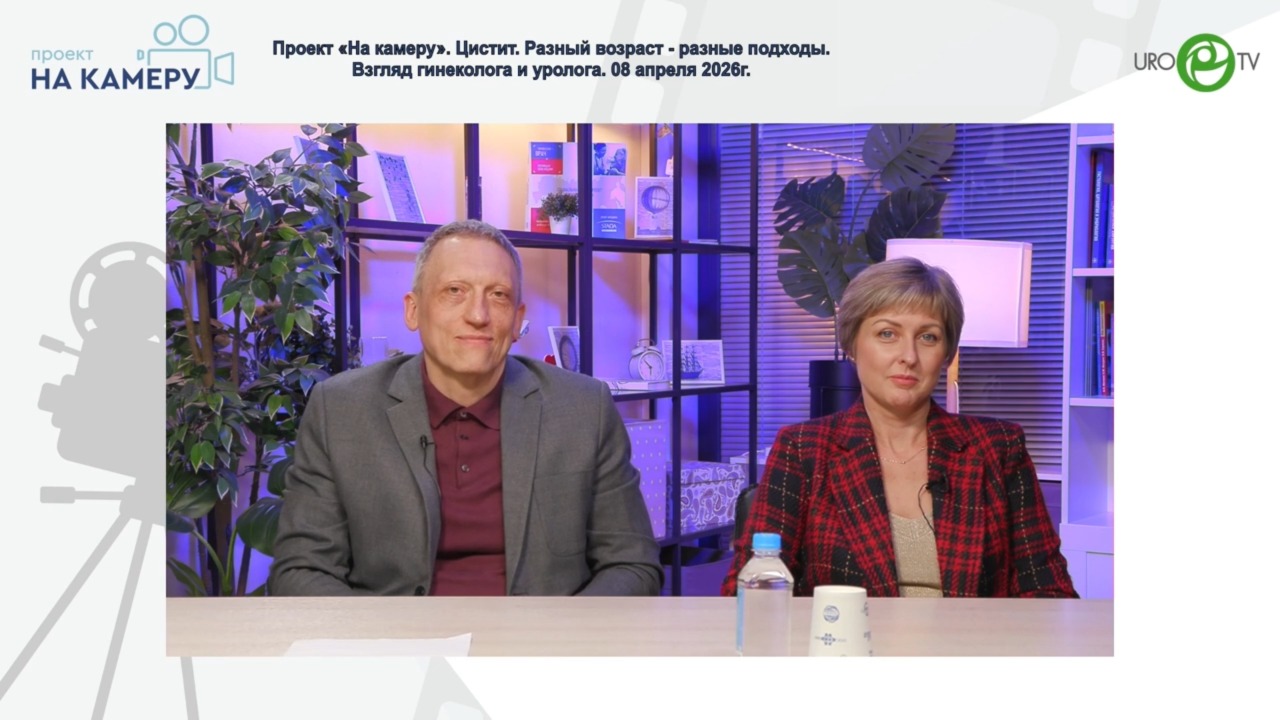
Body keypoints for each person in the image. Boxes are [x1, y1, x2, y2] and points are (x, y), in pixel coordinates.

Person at [269, 219, 662, 597]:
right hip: (394, 638)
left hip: (540, 638)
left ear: (517, 321)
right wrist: (383, 640)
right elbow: (302, 570)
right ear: (413, 310)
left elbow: (632, 565)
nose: (478, 315)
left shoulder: (583, 409)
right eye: (455, 291)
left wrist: (559, 635)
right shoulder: (341, 410)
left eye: (498, 295)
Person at [722, 257, 1076, 598]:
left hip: (972, 640)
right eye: (887, 333)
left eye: (928, 337)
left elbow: (1048, 592)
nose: (909, 356)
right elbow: (750, 595)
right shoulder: (802, 450)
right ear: (852, 344)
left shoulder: (998, 448)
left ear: (947, 353)